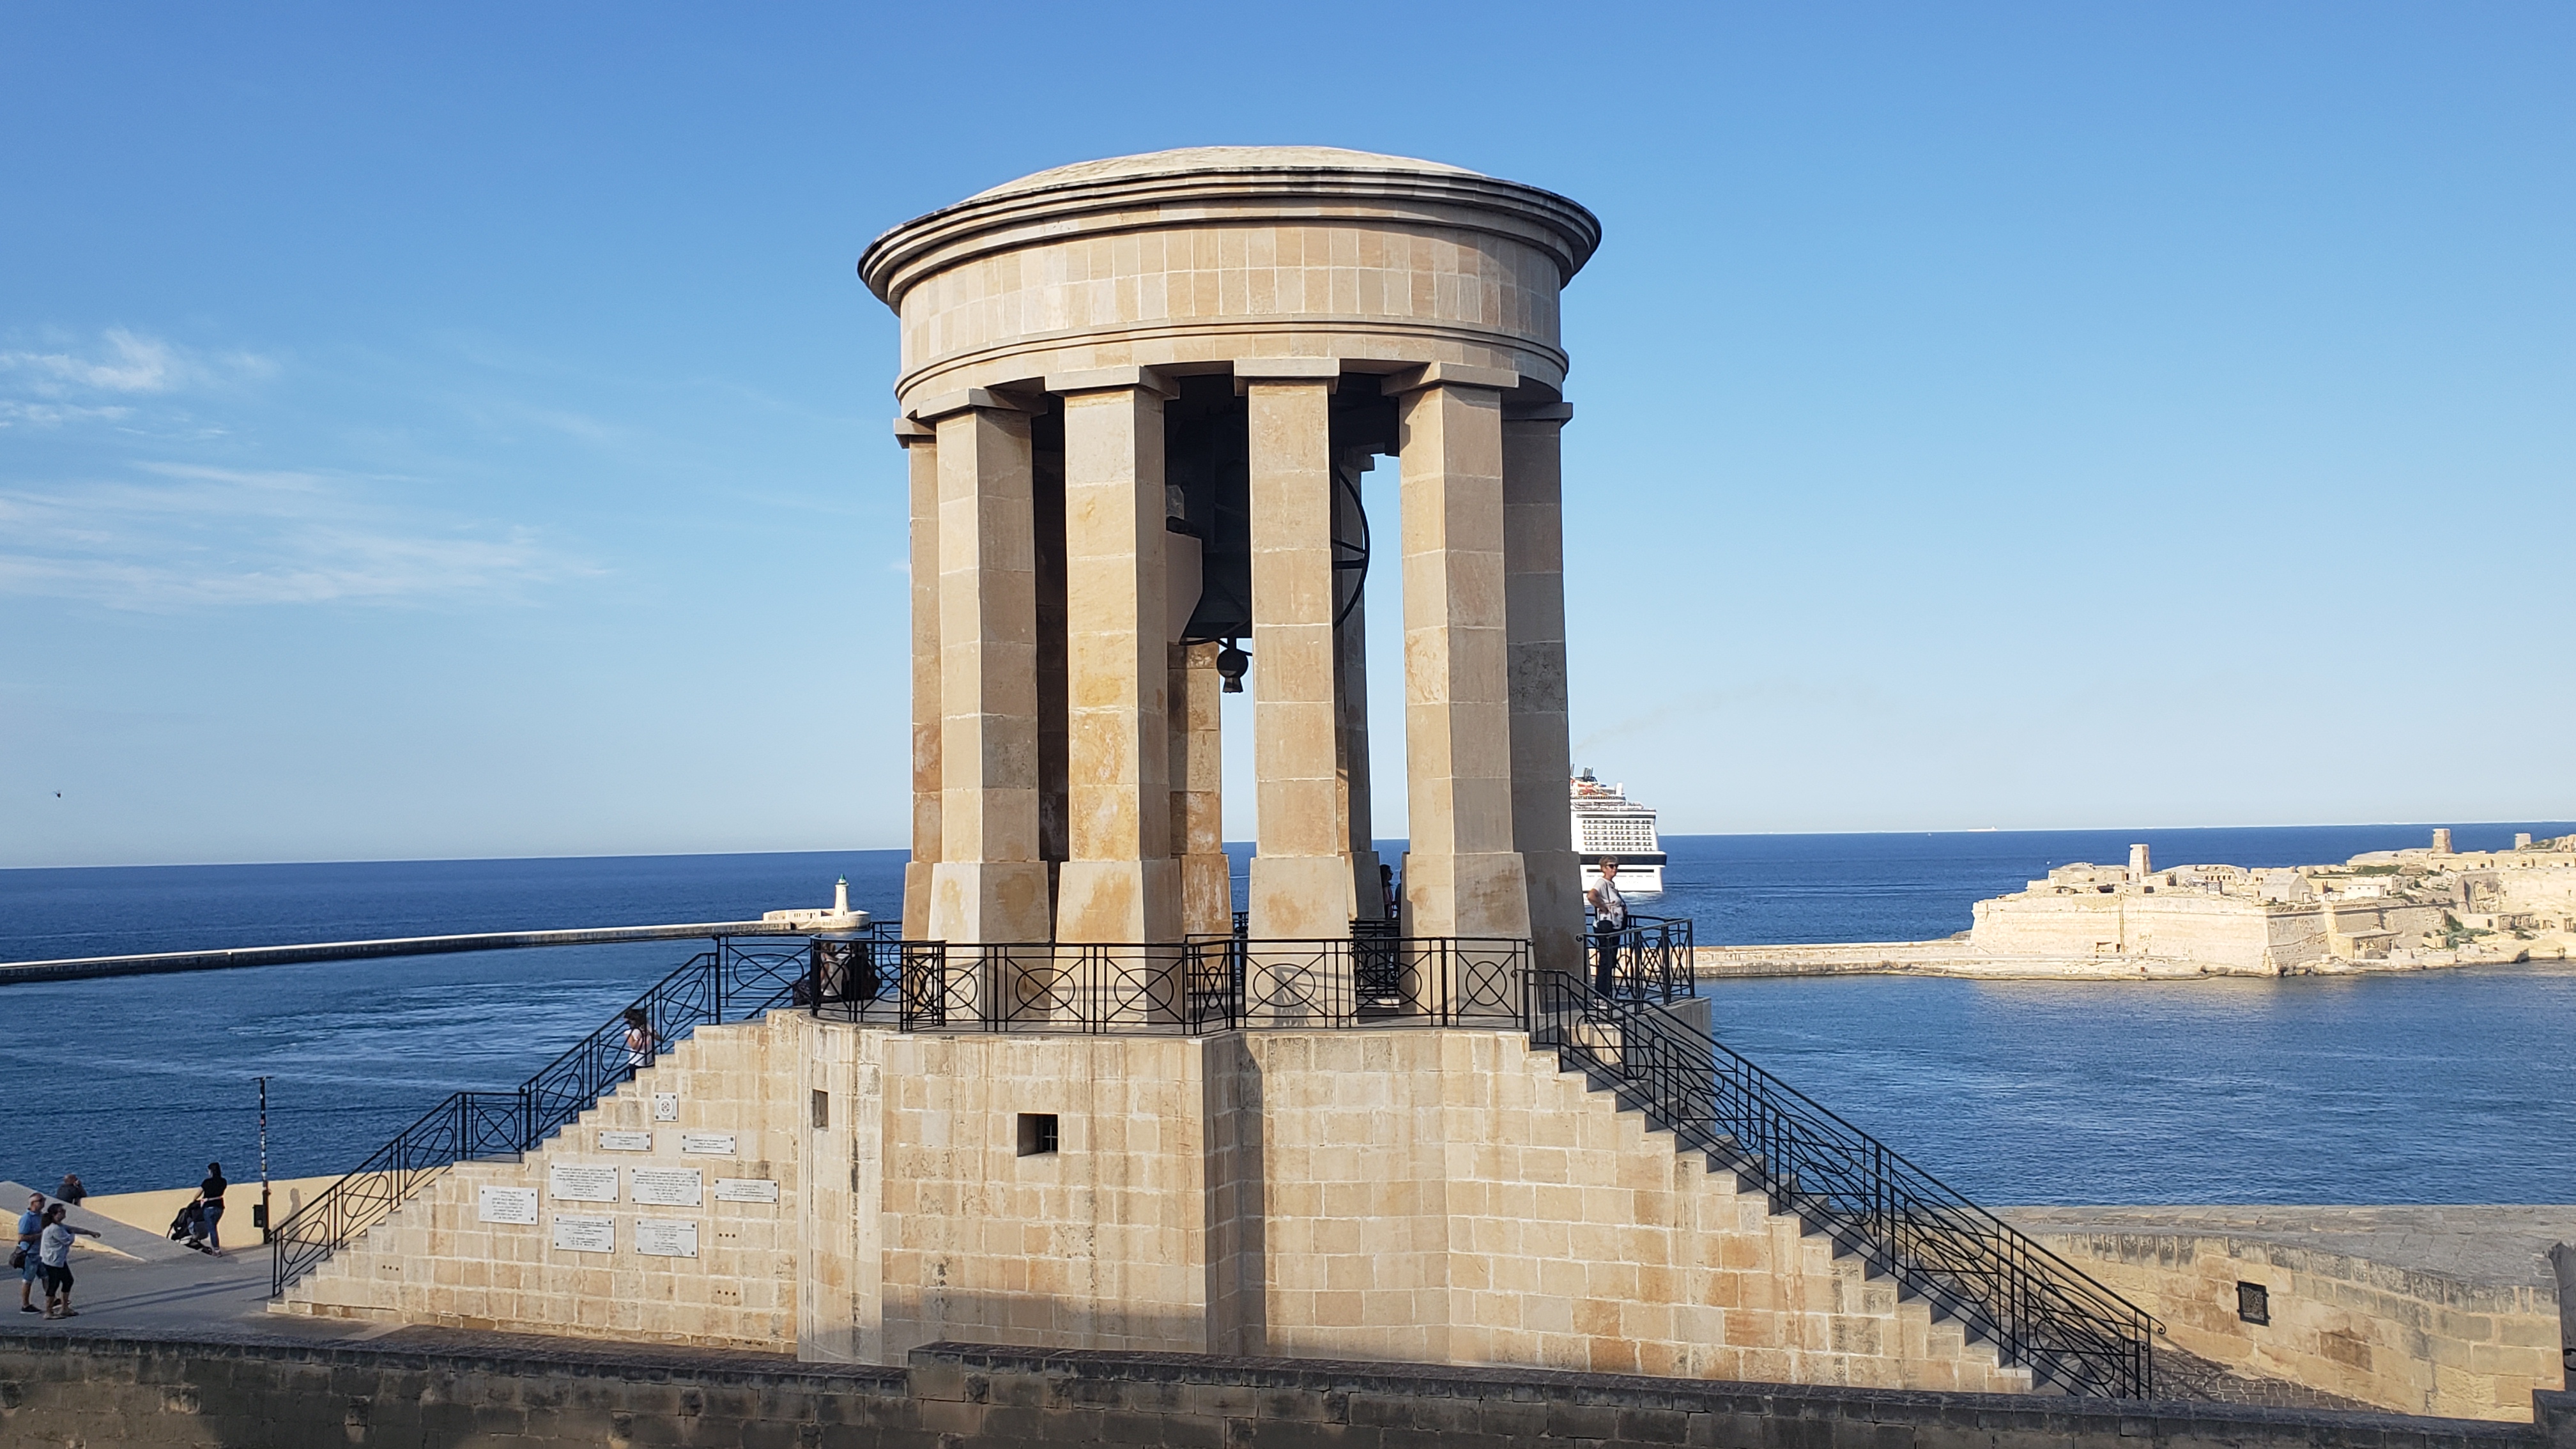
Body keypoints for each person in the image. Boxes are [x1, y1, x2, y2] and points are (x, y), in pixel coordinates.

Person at [38, 1204, 97, 1319]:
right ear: (55, 1214)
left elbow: (72, 1228)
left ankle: (64, 1308)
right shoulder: (54, 1229)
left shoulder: (59, 1226)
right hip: (52, 1261)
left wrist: (90, 1233)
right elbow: (67, 1240)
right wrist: (72, 1234)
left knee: (68, 1281)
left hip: (59, 1260)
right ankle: (49, 1312)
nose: (64, 1212)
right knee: (53, 1285)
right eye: (61, 1211)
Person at [1586, 857, 1630, 997]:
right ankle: (1601, 994)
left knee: (1610, 961)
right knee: (1606, 961)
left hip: (1614, 927)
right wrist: (1603, 908)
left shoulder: (1610, 885)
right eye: (1611, 866)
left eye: (1616, 866)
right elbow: (1591, 896)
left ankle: (1605, 992)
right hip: (1607, 927)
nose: (1615, 868)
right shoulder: (1602, 882)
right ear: (1603, 868)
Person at [15, 1192, 43, 1315]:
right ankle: (25, 1305)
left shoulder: (41, 1216)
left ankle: (52, 1299)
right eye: (41, 1201)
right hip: (30, 1254)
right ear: (33, 1203)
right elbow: (22, 1237)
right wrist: (39, 1236)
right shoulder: (27, 1218)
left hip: (39, 1252)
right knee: (28, 1279)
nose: (43, 1203)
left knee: (46, 1276)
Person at [198, 1162, 229, 1256]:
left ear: (211, 1171)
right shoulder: (223, 1181)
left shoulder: (207, 1182)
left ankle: (217, 1250)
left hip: (209, 1207)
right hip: (219, 1207)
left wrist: (194, 1200)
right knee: (214, 1228)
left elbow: (199, 1192)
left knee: (212, 1229)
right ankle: (215, 1248)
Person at [622, 1009, 656, 1079]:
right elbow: (633, 1046)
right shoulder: (629, 1032)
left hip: (649, 1060)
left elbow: (658, 1037)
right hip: (636, 1062)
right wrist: (638, 1039)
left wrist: (649, 1033)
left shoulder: (647, 1026)